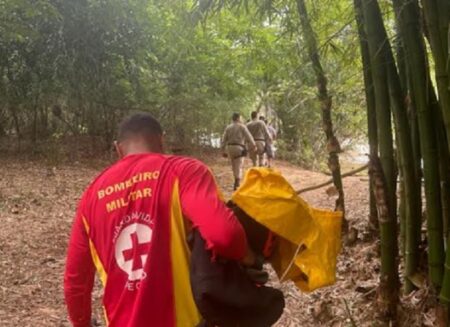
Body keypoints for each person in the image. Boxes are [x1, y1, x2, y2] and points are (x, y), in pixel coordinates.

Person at [64, 113, 254, 327]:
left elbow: (75, 282)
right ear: (161, 139)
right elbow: (225, 236)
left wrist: (82, 323)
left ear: (118, 148)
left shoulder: (92, 195)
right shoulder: (185, 171)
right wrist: (247, 257)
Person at [221, 113, 256, 190]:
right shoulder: (242, 127)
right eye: (240, 118)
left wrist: (222, 150)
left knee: (234, 166)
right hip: (239, 148)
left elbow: (223, 140)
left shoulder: (228, 127)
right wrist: (254, 145)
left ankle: (236, 179)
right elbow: (249, 137)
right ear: (237, 118)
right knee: (239, 165)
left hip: (230, 148)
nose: (241, 119)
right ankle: (237, 181)